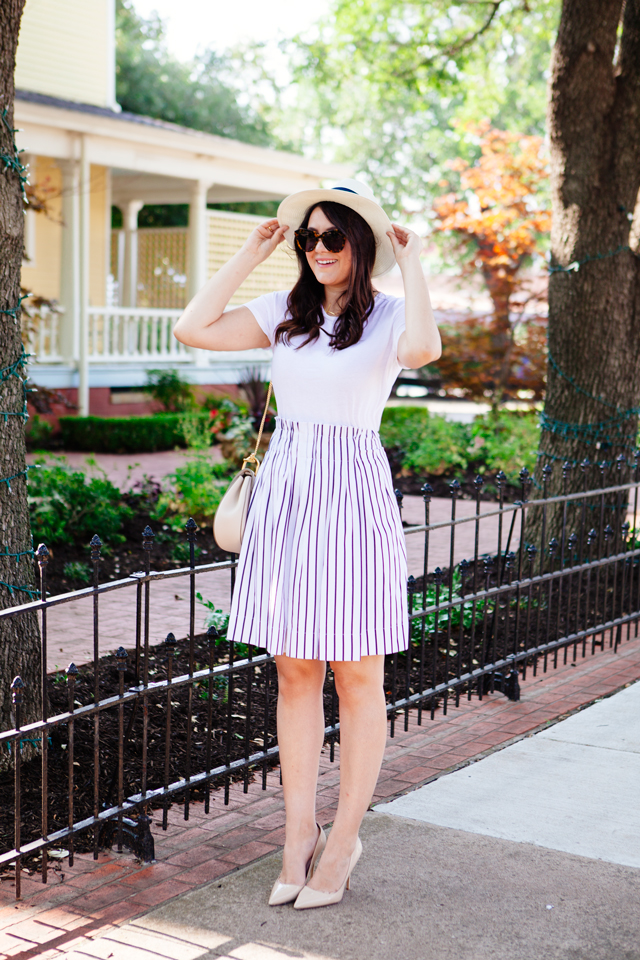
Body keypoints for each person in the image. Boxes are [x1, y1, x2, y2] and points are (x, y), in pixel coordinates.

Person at [173, 179, 441, 909]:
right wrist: (251, 253)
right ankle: (298, 834)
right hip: (288, 491)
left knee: (357, 677)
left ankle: (344, 839)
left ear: (361, 243)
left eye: (332, 237)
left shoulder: (388, 315)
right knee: (294, 673)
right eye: (308, 238)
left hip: (352, 492)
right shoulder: (285, 314)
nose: (317, 250)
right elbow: (192, 329)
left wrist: (411, 264)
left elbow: (422, 347)